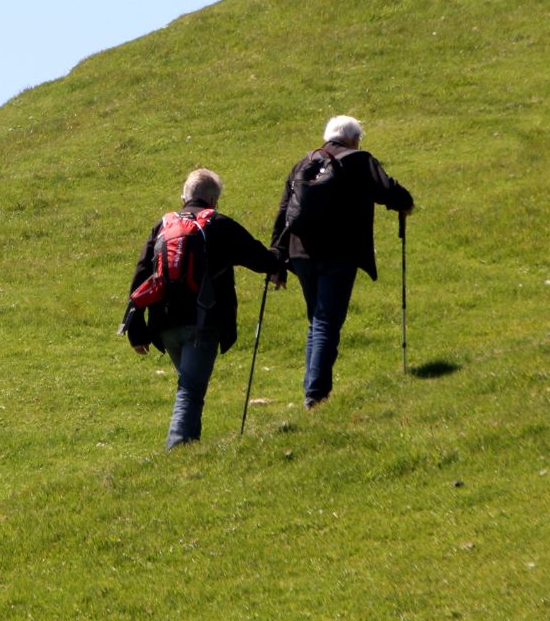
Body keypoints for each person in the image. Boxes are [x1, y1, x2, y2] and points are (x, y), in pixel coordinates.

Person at [121, 168, 283, 450]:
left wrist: (137, 331)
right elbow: (259, 258)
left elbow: (140, 277)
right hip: (203, 321)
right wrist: (280, 260)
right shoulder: (218, 224)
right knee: (190, 390)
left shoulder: (163, 226)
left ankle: (190, 448)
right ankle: (178, 450)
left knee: (190, 387)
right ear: (213, 198)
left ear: (184, 196)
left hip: (165, 325)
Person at [270, 115, 414, 409]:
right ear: (354, 138)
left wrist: (277, 262)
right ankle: (316, 395)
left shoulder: (304, 163)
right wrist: (405, 203)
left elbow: (284, 213)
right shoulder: (358, 159)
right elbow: (388, 190)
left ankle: (313, 391)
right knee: (326, 321)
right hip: (337, 253)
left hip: (301, 254)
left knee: (317, 321)